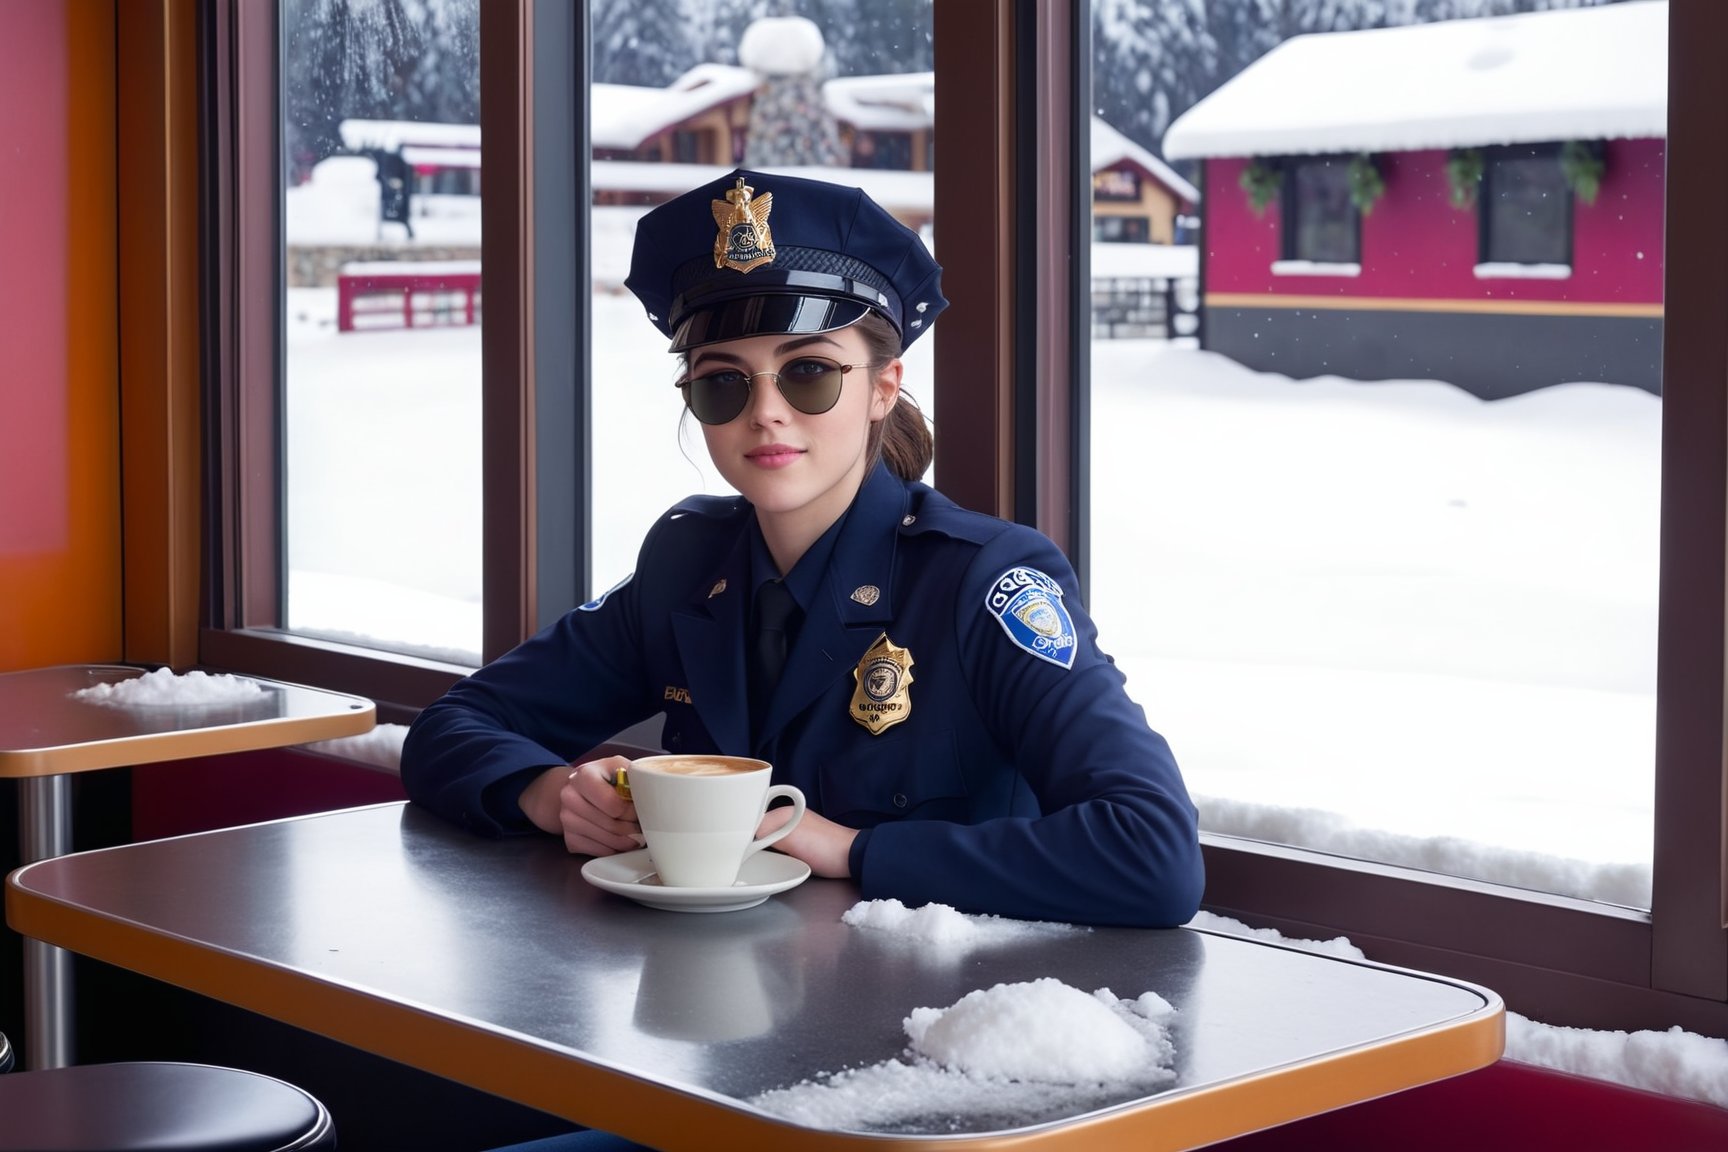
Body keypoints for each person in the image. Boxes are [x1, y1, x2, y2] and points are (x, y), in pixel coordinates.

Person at [400, 168, 1203, 930]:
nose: (766, 414)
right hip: (704, 1013)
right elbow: (454, 727)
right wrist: (549, 794)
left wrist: (855, 849)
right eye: (724, 382)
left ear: (882, 388)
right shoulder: (687, 567)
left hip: (935, 1029)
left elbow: (1153, 855)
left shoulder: (982, 581)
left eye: (810, 373)